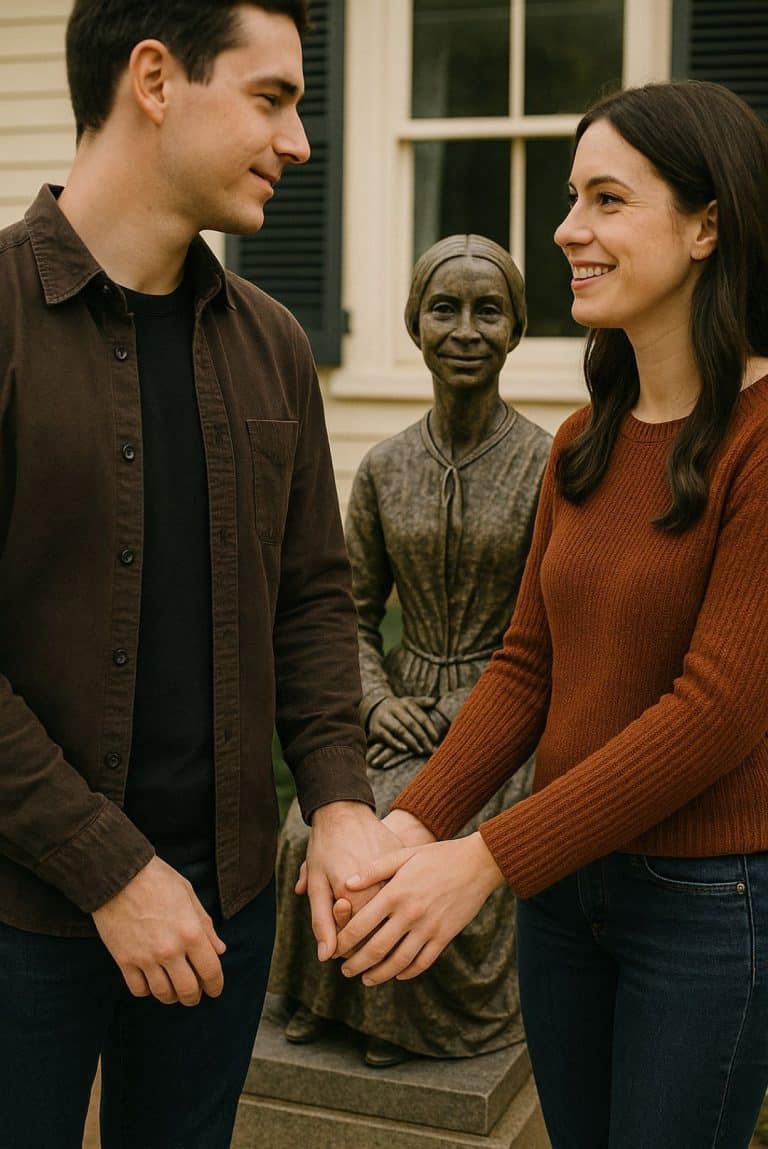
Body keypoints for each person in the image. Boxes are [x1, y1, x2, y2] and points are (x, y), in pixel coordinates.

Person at [330, 81, 768, 1149]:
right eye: (573, 198)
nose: (568, 229)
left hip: (707, 907)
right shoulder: (583, 442)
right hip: (563, 899)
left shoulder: (762, 443)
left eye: (608, 200)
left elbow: (715, 712)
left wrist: (483, 858)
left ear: (708, 224)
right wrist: (411, 822)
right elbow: (528, 667)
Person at [0, 3, 403, 1146]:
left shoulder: (273, 342)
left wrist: (334, 800)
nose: (299, 143)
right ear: (156, 79)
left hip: (225, 905)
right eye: (271, 98)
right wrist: (113, 872)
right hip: (19, 912)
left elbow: (315, 599)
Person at [272, 235, 551, 1065]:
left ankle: (405, 1023)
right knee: (305, 835)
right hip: (397, 707)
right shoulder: (387, 468)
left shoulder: (548, 463)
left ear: (514, 330)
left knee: (424, 845)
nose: (466, 329)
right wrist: (376, 701)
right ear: (415, 327)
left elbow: (549, 631)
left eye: (487, 310)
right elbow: (345, 611)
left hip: (502, 718)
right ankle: (331, 999)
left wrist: (468, 713)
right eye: (444, 309)